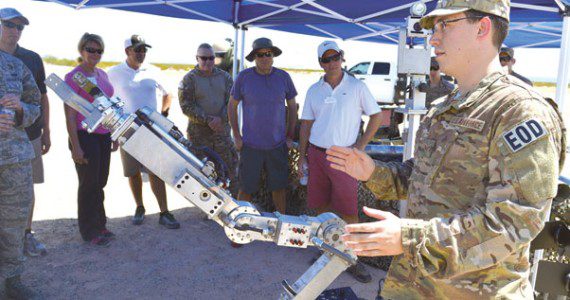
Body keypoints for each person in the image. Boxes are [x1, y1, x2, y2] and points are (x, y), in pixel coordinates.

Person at [327, 1, 565, 298]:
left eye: (445, 25)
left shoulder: (518, 111)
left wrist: (409, 237)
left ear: (483, 27)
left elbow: (515, 221)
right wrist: (373, 172)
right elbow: (421, 178)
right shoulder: (445, 107)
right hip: (414, 287)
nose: (433, 38)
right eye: (434, 28)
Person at [298, 41, 381, 283]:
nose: (332, 62)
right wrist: (302, 157)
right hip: (316, 154)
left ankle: (351, 260)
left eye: (335, 56)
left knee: (348, 211)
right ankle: (327, 254)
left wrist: (360, 146)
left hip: (344, 156)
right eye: (326, 59)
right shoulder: (314, 90)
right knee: (322, 208)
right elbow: (305, 125)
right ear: (320, 63)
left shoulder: (357, 87)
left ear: (342, 57)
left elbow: (376, 116)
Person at [107, 35, 179, 229]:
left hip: (151, 129)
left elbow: (167, 93)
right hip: (126, 128)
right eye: (137, 50)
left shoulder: (154, 71)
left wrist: (163, 115)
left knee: (156, 170)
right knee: (132, 172)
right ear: (127, 52)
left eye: (143, 50)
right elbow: (105, 97)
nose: (141, 53)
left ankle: (164, 211)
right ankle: (139, 207)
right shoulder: (113, 72)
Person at [0, 8, 49, 258]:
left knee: (19, 205)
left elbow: (37, 100)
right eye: (9, 25)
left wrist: (21, 111)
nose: (15, 31)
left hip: (19, 148)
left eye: (20, 27)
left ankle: (13, 277)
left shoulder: (26, 61)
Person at [228, 37, 297, 214]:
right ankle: (238, 225)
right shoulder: (244, 77)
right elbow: (232, 106)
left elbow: (293, 107)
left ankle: (283, 224)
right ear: (255, 57)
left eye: (268, 54)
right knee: (246, 188)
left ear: (273, 55)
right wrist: (236, 135)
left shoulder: (283, 77)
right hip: (250, 146)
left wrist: (289, 136)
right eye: (260, 55)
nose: (265, 57)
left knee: (279, 188)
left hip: (277, 145)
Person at [64, 33, 118, 247]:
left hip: (104, 135)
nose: (94, 54)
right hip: (84, 136)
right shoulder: (73, 77)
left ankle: (100, 224)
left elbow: (109, 107)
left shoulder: (102, 74)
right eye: (90, 49)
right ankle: (89, 230)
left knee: (101, 182)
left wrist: (114, 133)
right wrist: (75, 146)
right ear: (81, 50)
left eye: (98, 50)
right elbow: (69, 114)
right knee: (88, 184)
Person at [178, 43, 238, 196]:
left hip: (222, 135)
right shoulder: (189, 79)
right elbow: (186, 106)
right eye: (203, 58)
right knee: (203, 173)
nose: (207, 62)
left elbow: (232, 102)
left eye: (211, 58)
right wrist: (208, 120)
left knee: (229, 169)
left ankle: (231, 204)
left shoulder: (225, 77)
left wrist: (220, 119)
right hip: (200, 137)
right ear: (197, 58)